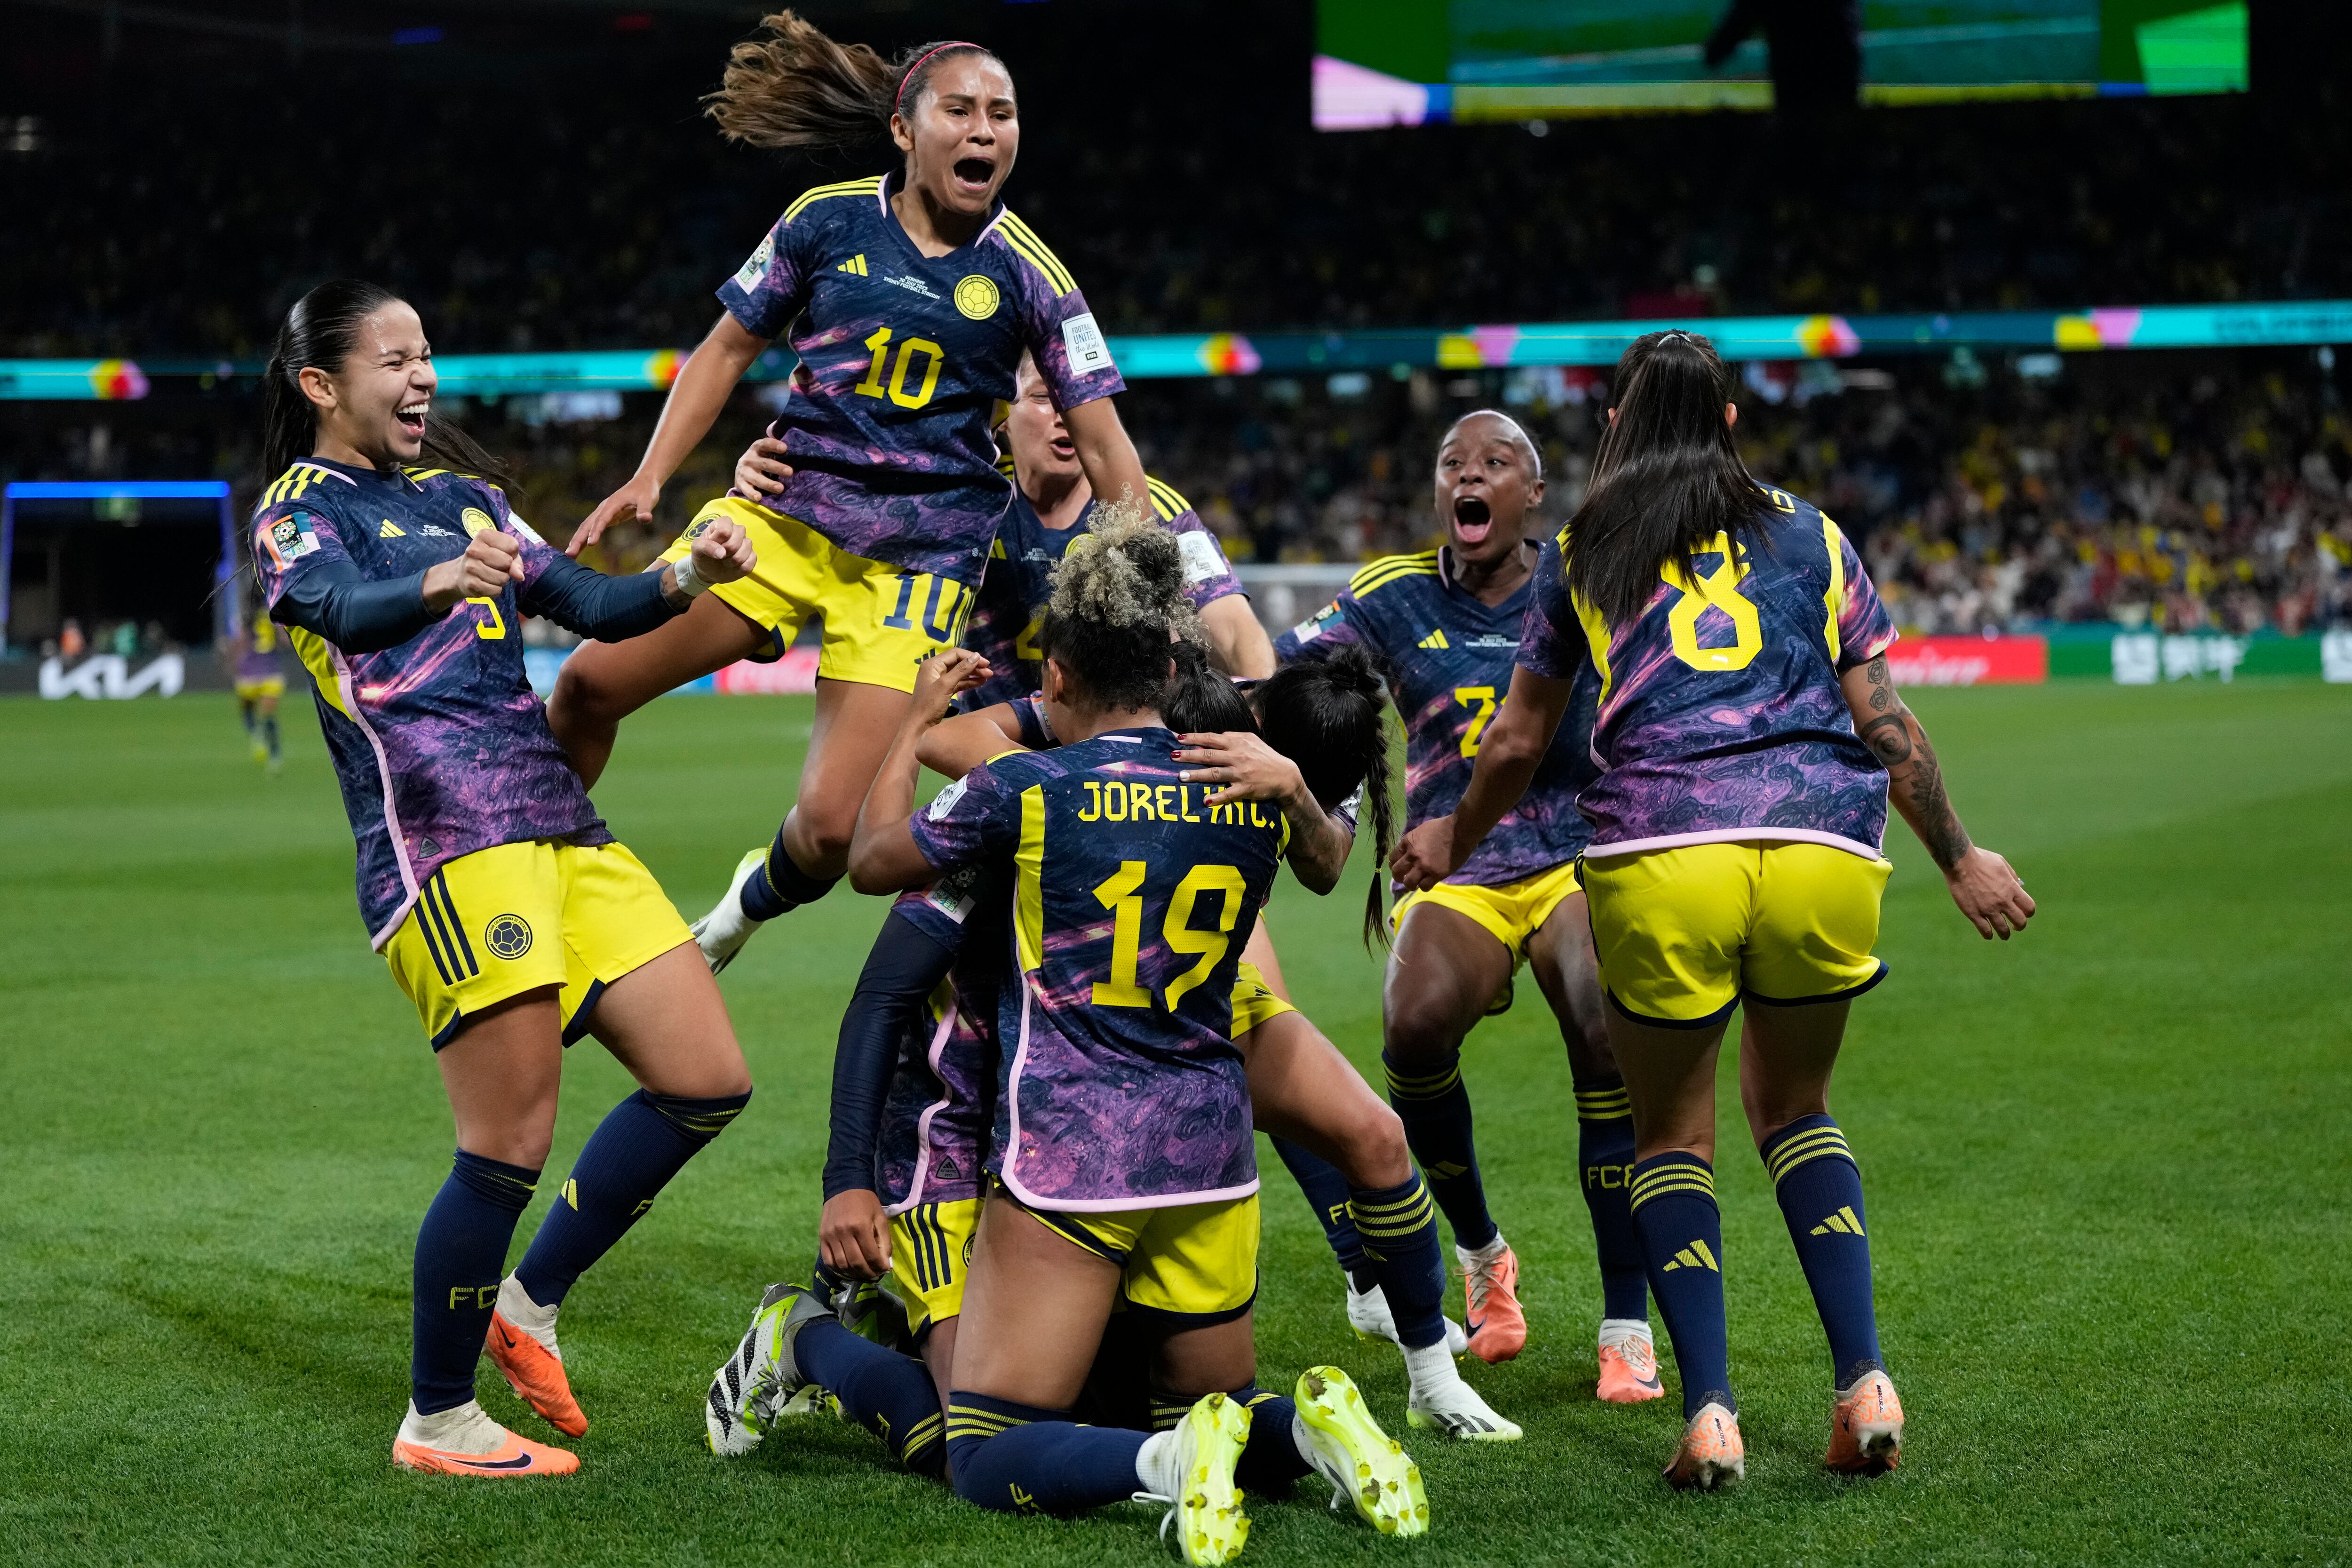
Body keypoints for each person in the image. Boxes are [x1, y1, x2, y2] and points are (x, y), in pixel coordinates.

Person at [1392, 329, 2035, 1489]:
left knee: (1672, 1135)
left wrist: (1452, 835)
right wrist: (1960, 852)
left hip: (1663, 851)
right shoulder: (1813, 532)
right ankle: (1864, 1382)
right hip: (1819, 849)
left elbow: (1518, 738)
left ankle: (1710, 1418)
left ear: (1617, 428)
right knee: (1796, 1111)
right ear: (1733, 424)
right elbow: (1885, 720)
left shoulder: (1586, 544)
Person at [710, 523, 1426, 1563]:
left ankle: (1156, 1465)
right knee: (1190, 1396)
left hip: (1066, 1150)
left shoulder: (1024, 792)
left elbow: (870, 862)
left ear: (1054, 675)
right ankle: (1306, 1428)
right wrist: (1299, 789)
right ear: (1178, 668)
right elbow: (1324, 863)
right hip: (1209, 1154)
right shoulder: (1247, 784)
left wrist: (915, 721)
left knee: (985, 1447)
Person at [250, 279, 764, 1478]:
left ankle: (525, 1301)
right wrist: (434, 585)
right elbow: (319, 603)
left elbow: (590, 601)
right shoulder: (299, 509)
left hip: (557, 825)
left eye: (428, 355)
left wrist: (689, 569)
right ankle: (437, 1419)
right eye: (394, 358)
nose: (423, 375)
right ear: (324, 386)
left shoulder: (466, 498)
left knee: (707, 1078)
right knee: (507, 1142)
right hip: (442, 841)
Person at [545, 16, 1155, 970]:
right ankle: (553, 879)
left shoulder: (1032, 275)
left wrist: (1144, 592)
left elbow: (1110, 452)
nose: (987, 130)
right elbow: (726, 348)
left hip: (915, 567)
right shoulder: (824, 219)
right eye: (961, 109)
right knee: (586, 684)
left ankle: (743, 905)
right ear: (906, 131)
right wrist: (651, 472)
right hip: (784, 519)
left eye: (1003, 113)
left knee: (831, 836)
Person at [1274, 410, 1656, 1400]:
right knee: (1413, 1025)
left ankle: (1626, 1323)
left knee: (1600, 1021)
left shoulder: (1585, 582)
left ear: (1533, 494)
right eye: (1451, 463)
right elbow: (1286, 668)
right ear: (1437, 493)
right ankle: (1486, 1254)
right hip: (1457, 863)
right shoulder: (1390, 596)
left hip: (1575, 850)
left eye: (1494, 463)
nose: (1468, 476)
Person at [731, 348, 1276, 716]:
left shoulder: (1147, 508)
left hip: (1116, 771)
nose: (1066, 416)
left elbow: (1234, 630)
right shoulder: (952, 502)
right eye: (1043, 398)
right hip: (989, 767)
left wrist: (1267, 737)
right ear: (1002, 413)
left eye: (1078, 402)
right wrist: (779, 481)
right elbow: (838, 533)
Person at [228, 603, 286, 771]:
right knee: (269, 715)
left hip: (249, 672)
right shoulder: (274, 614)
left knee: (247, 709)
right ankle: (275, 757)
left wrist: (233, 663)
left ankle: (257, 736)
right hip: (271, 671)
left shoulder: (245, 617)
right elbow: (284, 641)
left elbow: (241, 642)